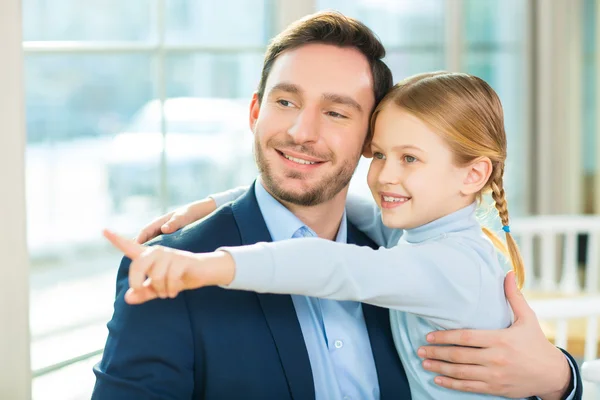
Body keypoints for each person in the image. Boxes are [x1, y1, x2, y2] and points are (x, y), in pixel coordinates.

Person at [93, 11, 581, 400]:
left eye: (335, 112)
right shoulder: (167, 269)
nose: (303, 132)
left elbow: (329, 264)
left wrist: (557, 378)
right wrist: (214, 205)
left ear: (366, 136)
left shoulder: (397, 249)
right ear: (255, 112)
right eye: (286, 102)